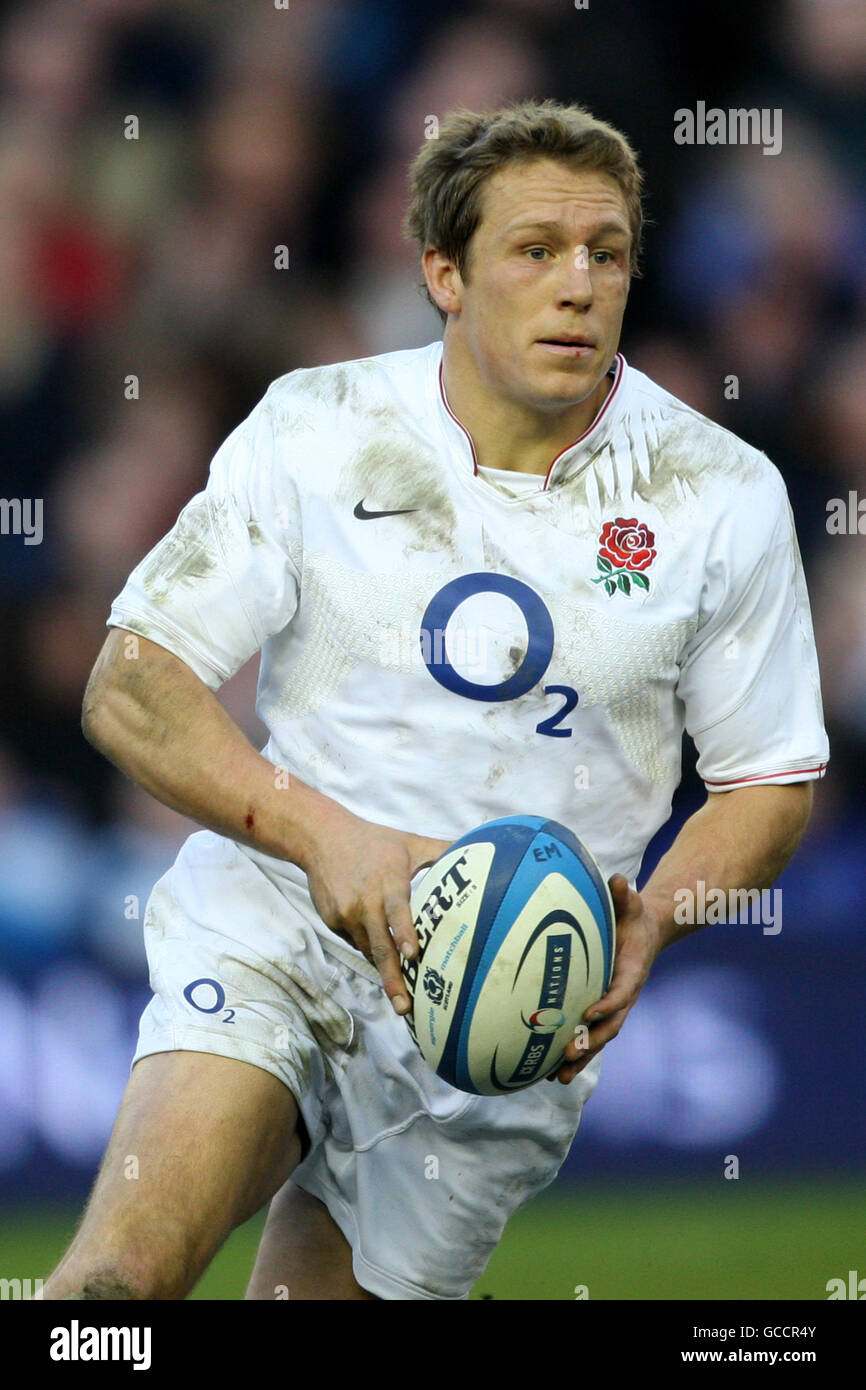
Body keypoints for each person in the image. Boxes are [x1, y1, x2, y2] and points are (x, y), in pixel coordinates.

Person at [44, 98, 828, 1302]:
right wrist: (327, 839)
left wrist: (655, 918)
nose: (577, 284)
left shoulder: (718, 495)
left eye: (604, 253)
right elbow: (132, 687)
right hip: (284, 929)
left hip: (505, 1016)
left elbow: (768, 774)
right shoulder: (318, 428)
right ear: (443, 273)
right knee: (114, 1291)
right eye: (534, 249)